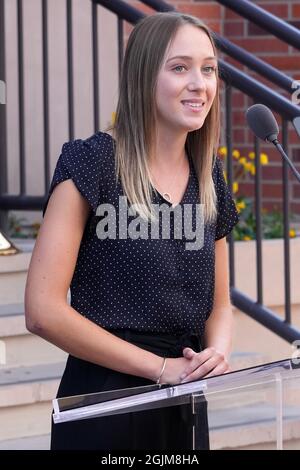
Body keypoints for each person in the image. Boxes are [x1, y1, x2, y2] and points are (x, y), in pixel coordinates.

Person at [24, 12, 239, 450]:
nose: (200, 83)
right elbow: (42, 310)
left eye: (208, 69)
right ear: (143, 76)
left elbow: (220, 304)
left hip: (183, 400)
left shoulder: (208, 176)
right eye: (180, 67)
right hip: (105, 401)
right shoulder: (92, 164)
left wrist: (215, 354)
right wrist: (159, 368)